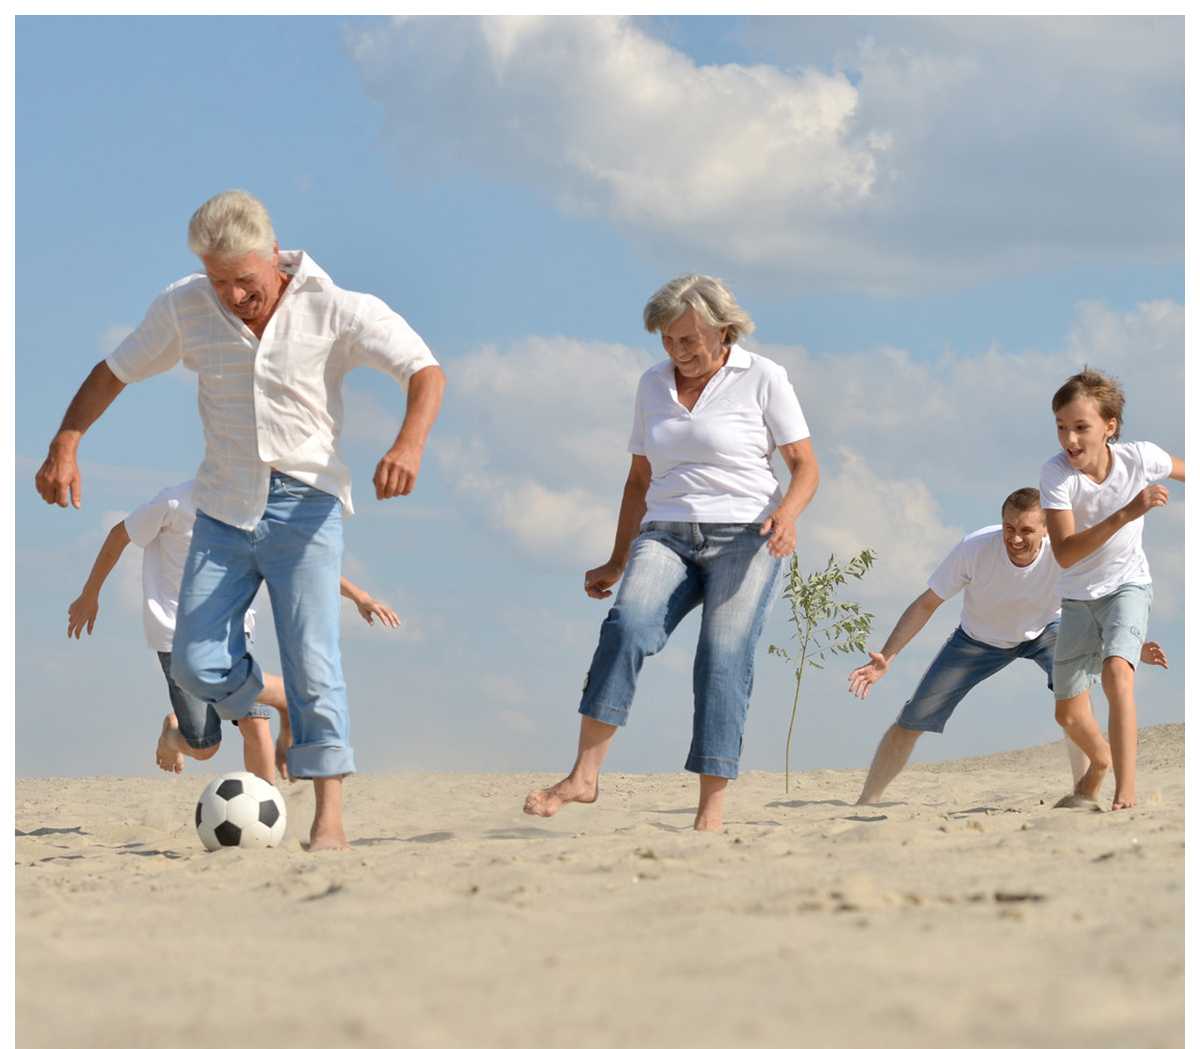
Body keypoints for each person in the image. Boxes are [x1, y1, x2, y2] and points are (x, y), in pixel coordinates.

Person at [35, 190, 444, 850]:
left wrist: (409, 445)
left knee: (314, 659)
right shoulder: (184, 304)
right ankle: (280, 697)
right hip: (222, 509)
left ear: (274, 255)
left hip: (305, 506)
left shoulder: (335, 306)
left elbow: (423, 370)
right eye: (217, 280)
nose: (231, 295)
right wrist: (66, 441)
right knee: (194, 663)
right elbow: (114, 371)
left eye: (244, 280)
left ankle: (329, 818)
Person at [524, 274, 819, 832]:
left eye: (688, 339)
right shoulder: (652, 384)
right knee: (627, 626)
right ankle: (583, 777)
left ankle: (709, 812)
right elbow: (639, 480)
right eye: (667, 339)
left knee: (722, 657)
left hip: (746, 536)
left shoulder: (763, 377)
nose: (677, 350)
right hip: (666, 534)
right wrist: (617, 560)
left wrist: (787, 516)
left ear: (723, 330)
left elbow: (805, 466)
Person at [848, 487, 1166, 809]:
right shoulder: (974, 548)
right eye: (1009, 528)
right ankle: (867, 800)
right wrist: (886, 656)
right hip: (977, 640)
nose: (1015, 538)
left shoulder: (1065, 553)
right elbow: (926, 604)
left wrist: (1131, 644)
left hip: (1047, 630)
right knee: (914, 715)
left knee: (1075, 701)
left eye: (1026, 530)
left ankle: (1083, 794)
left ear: (1047, 529)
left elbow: (1100, 600)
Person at [67, 478, 402, 782]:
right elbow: (120, 534)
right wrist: (89, 594)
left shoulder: (256, 514)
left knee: (256, 721)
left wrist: (361, 597)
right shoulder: (175, 502)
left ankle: (269, 808)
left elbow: (300, 562)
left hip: (232, 633)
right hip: (176, 636)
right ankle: (174, 734)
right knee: (204, 747)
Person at [1040, 368, 1183, 811]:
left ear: (1109, 426)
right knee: (1067, 714)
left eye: (1081, 427)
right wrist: (1126, 513)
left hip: (1128, 586)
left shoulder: (1140, 458)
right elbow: (1065, 553)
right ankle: (1100, 762)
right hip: (1078, 599)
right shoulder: (1057, 475)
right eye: (1061, 427)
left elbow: (1186, 469)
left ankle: (1126, 793)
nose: (1069, 439)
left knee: (1117, 674)